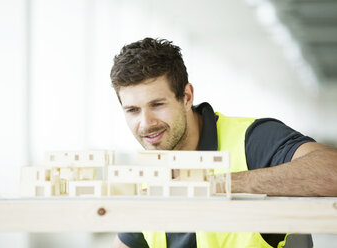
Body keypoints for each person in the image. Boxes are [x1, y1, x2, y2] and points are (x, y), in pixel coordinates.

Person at [109, 37, 337, 248]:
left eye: (157, 104)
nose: (146, 123)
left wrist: (214, 184)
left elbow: (332, 171)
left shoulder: (252, 139)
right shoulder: (148, 174)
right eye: (132, 110)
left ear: (187, 97)